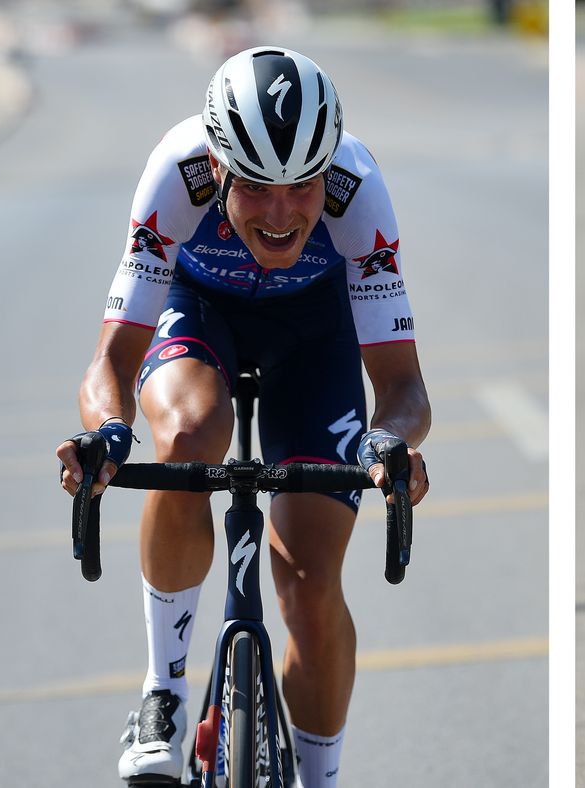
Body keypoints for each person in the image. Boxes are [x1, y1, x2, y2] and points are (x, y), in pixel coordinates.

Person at [55, 46, 431, 787]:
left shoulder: (359, 190)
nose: (284, 213)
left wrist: (390, 442)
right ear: (220, 168)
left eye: (303, 187)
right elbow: (111, 364)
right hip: (203, 313)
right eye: (258, 187)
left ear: (328, 172)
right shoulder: (176, 172)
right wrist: (105, 435)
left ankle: (320, 778)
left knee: (310, 587)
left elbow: (403, 384)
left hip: (315, 334)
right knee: (190, 435)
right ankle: (162, 692)